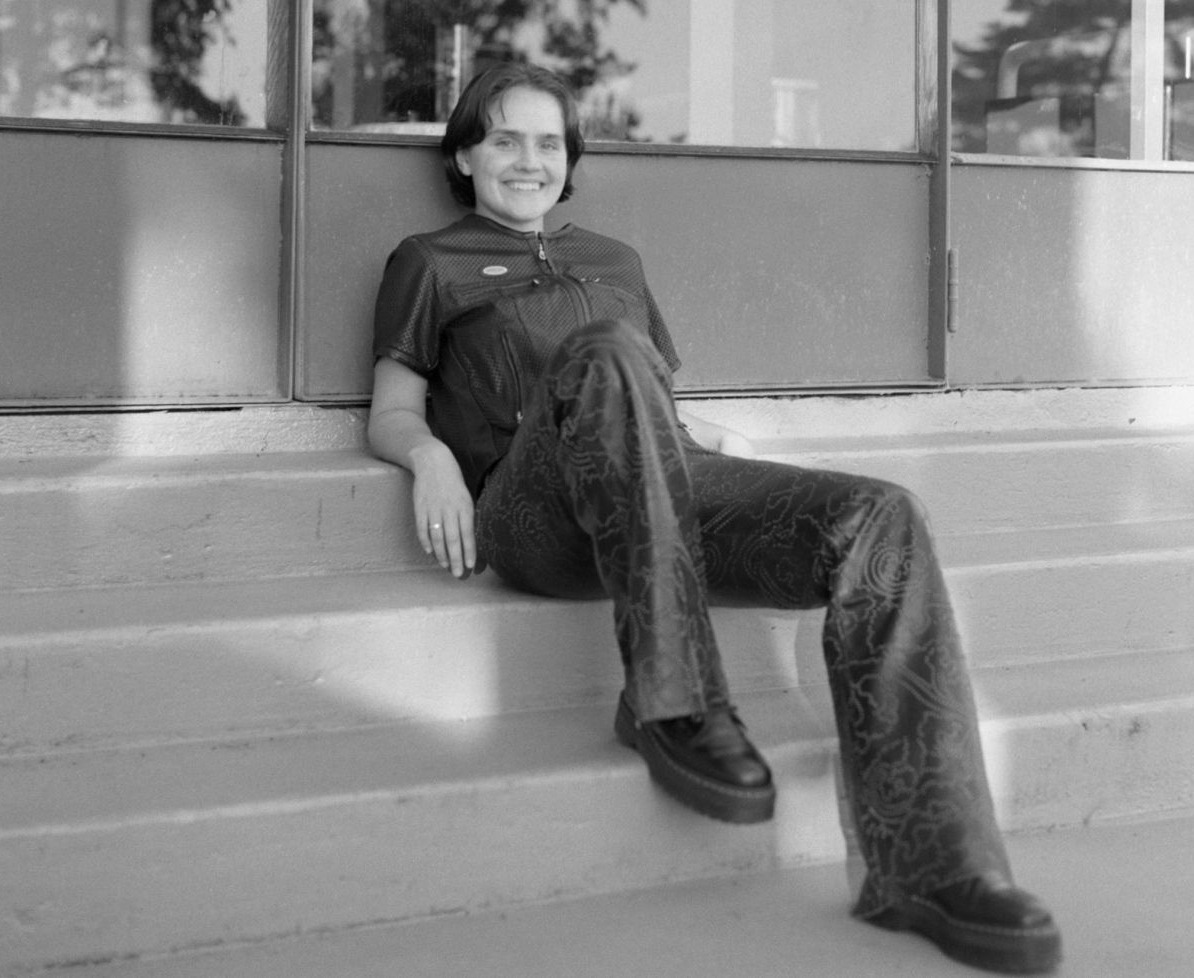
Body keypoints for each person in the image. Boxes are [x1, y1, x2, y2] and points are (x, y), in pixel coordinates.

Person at [367, 61, 1062, 974]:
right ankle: (674, 697)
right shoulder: (428, 262)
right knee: (605, 348)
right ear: (464, 156)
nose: (528, 160)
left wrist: (712, 447)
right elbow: (392, 408)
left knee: (879, 516)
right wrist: (428, 460)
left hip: (664, 484)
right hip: (534, 515)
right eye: (504, 140)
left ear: (569, 160)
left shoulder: (616, 261)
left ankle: (936, 869)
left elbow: (646, 407)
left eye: (548, 143)